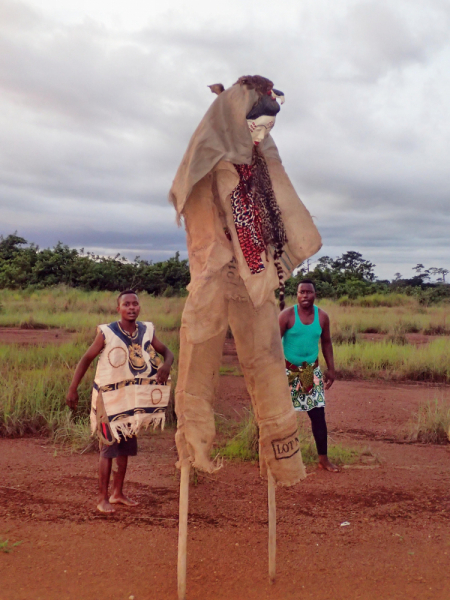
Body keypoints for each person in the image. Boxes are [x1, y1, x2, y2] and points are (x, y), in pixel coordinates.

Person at [169, 75, 322, 486]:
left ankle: (282, 459)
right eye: (256, 125)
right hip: (216, 276)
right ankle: (195, 446)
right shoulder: (209, 161)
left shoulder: (262, 164)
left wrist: (266, 266)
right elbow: (202, 231)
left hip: (256, 282)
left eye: (268, 128)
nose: (261, 134)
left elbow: (281, 216)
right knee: (198, 352)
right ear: (237, 120)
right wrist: (219, 266)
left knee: (267, 361)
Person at [66, 291, 174, 513]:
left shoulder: (146, 331)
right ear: (119, 309)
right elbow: (86, 358)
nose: (131, 308)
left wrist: (166, 365)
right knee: (108, 448)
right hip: (108, 400)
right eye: (126, 304)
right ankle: (102, 498)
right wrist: (73, 388)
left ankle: (118, 493)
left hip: (130, 401)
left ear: (139, 307)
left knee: (125, 447)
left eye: (135, 304)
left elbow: (167, 352)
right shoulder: (107, 332)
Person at [279, 279, 339, 472]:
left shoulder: (322, 317)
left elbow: (327, 342)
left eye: (309, 292)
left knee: (318, 416)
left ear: (315, 294)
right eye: (301, 292)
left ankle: (323, 459)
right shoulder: (287, 315)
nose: (305, 295)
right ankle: (275, 458)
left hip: (310, 373)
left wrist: (331, 368)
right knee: (280, 417)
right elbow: (272, 343)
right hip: (287, 372)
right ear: (296, 294)